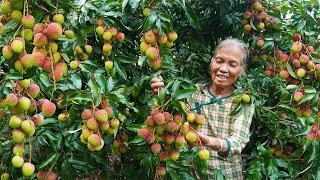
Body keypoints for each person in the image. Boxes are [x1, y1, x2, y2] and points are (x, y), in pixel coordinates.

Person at [150, 38, 255, 179]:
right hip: (191, 174)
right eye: (219, 61)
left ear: (241, 70)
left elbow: (238, 141)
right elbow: (171, 114)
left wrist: (210, 142)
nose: (223, 69)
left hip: (226, 175)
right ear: (211, 61)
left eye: (232, 64)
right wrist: (160, 94)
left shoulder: (243, 101)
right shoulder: (192, 92)